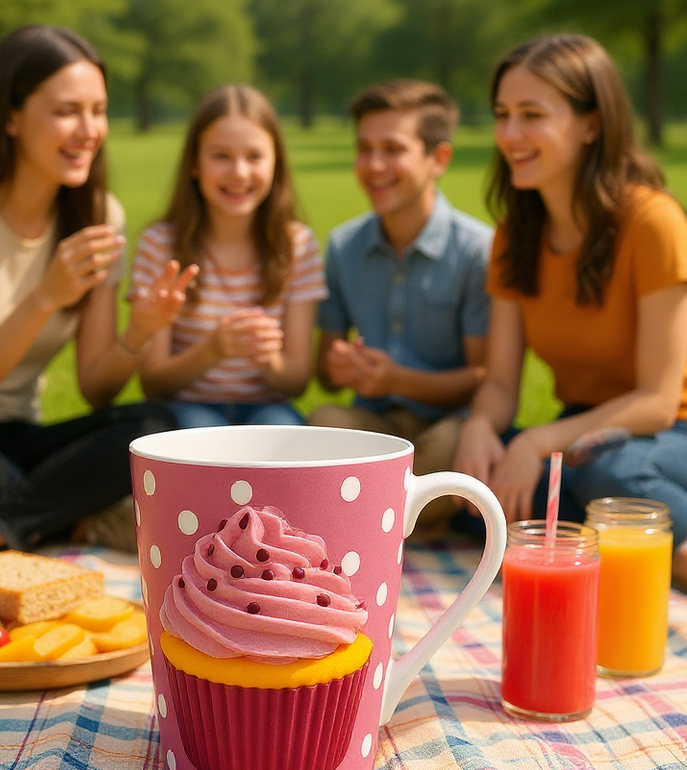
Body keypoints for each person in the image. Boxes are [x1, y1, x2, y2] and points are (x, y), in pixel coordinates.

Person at [0, 25, 195, 588]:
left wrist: (139, 333)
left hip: (11, 441)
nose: (89, 130)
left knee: (154, 424)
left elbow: (97, 388)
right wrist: (44, 298)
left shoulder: (98, 214)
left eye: (98, 111)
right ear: (10, 116)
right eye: (66, 111)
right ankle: (71, 516)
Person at [453, 34, 687, 585]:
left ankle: (662, 555)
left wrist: (537, 441)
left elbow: (656, 402)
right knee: (478, 491)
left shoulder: (652, 223)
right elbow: (501, 383)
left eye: (532, 115)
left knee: (609, 473)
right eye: (503, 114)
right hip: (580, 430)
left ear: (591, 125)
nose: (510, 134)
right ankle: (622, 549)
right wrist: (479, 426)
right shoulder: (514, 235)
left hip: (669, 430)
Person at [308, 79, 492, 491]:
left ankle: (377, 507)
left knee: (453, 447)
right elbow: (325, 376)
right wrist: (340, 367)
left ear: (438, 159)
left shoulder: (477, 250)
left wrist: (397, 381)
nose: (374, 165)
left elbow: (483, 376)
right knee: (323, 421)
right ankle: (412, 508)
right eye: (364, 148)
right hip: (374, 428)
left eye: (393, 149)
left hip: (447, 426)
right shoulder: (344, 246)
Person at [132, 84, 327, 426]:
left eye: (254, 157)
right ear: (194, 163)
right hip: (187, 407)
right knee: (200, 438)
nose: (239, 172)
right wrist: (213, 349)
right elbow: (154, 383)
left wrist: (268, 358)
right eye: (221, 156)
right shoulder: (160, 244)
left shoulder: (297, 245)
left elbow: (296, 382)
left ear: (276, 164)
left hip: (267, 406)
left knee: (282, 432)